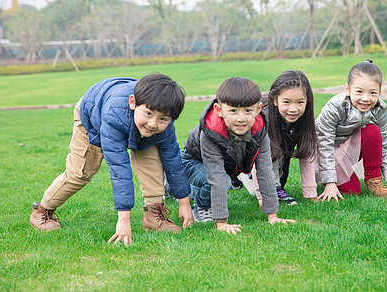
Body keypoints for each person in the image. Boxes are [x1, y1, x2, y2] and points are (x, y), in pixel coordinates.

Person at [29, 74, 194, 246]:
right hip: (93, 114)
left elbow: (173, 162)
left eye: (162, 119)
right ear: (133, 103)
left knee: (152, 163)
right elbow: (119, 169)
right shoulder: (113, 117)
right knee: (81, 172)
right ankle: (42, 211)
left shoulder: (162, 124)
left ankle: (154, 216)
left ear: (171, 118)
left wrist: (185, 204)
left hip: (132, 119)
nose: (153, 123)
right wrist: (124, 220)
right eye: (149, 113)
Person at [181, 76, 295, 234]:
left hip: (226, 164)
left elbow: (265, 171)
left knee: (221, 182)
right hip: (192, 160)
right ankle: (202, 205)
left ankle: (182, 189)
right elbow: (217, 176)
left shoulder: (260, 130)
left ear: (258, 109)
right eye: (233, 111)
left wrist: (272, 215)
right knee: (223, 182)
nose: (241, 118)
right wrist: (222, 223)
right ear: (219, 110)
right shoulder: (210, 132)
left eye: (248, 110)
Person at [316, 59, 387, 201]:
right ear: (348, 89)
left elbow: (385, 143)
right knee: (352, 191)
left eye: (372, 93)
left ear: (379, 93)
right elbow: (323, 144)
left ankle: (374, 182)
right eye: (359, 92)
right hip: (323, 155)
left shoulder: (379, 109)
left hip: (349, 150)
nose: (366, 98)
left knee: (372, 131)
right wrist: (330, 182)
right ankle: (330, 178)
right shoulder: (335, 107)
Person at [249, 70, 319, 206]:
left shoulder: (304, 120)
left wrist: (311, 194)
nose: (293, 109)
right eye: (286, 102)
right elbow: (259, 158)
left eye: (300, 102)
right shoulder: (264, 119)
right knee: (271, 146)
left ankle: (275, 186)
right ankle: (240, 176)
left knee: (277, 150)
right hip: (250, 162)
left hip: (273, 166)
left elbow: (307, 155)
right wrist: (262, 196)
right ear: (275, 100)